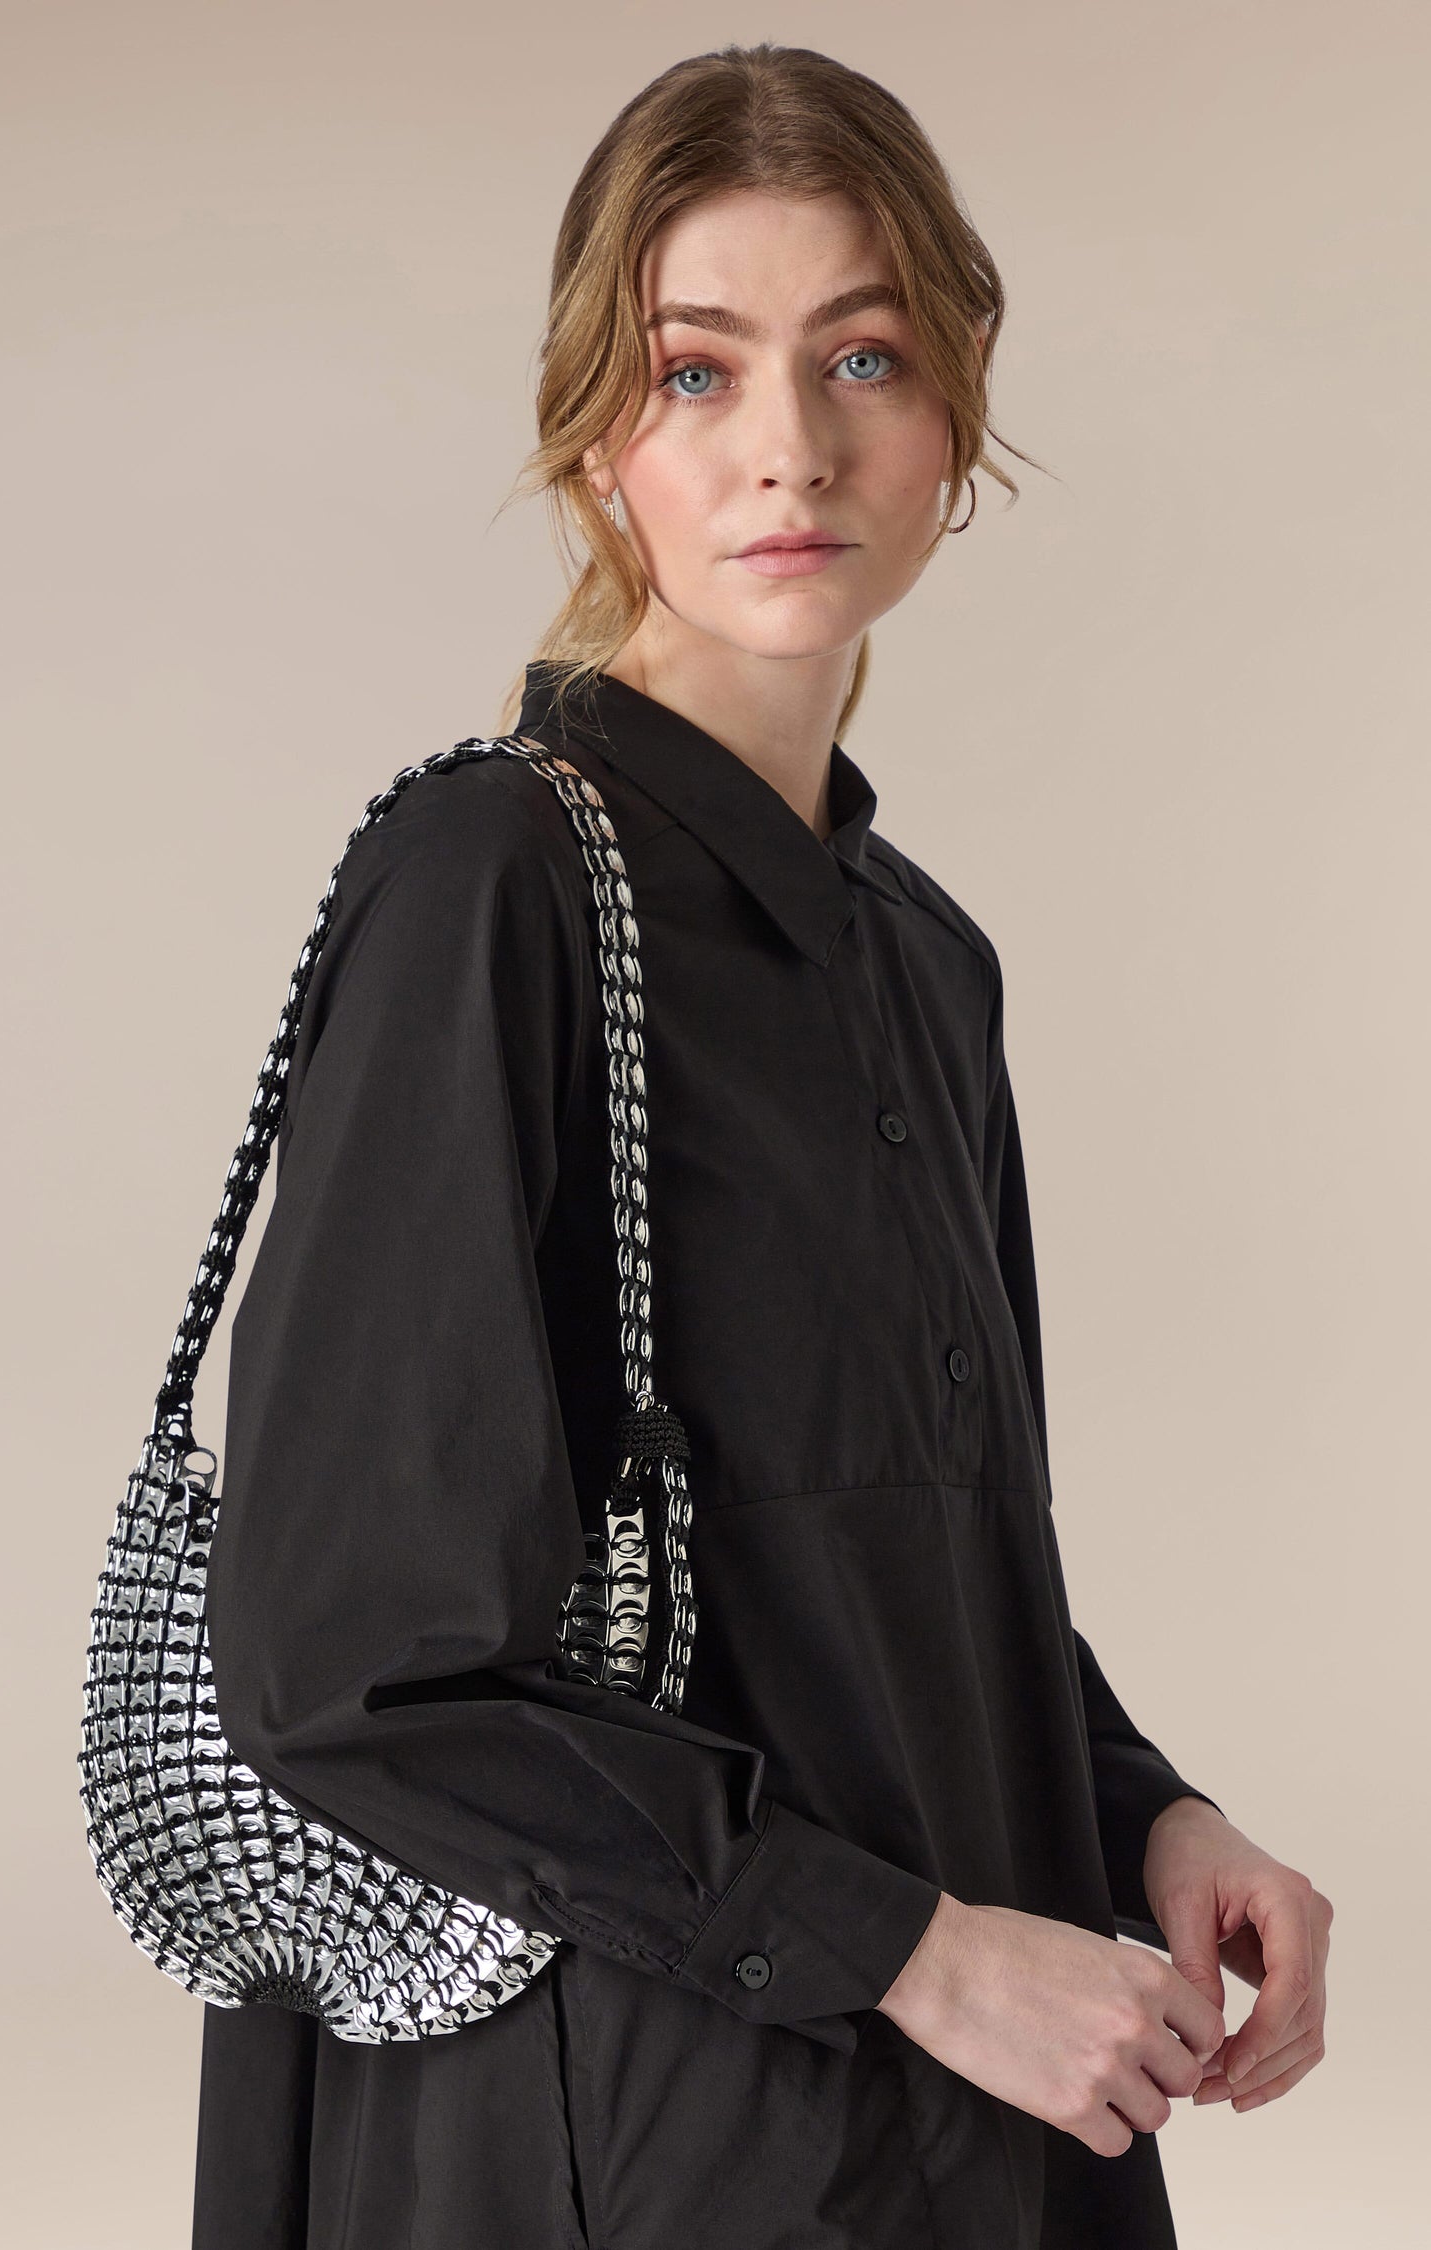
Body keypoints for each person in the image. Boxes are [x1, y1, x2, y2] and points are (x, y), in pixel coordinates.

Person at [191, 40, 1332, 2250]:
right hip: (640, 2139)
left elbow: (911, 1572)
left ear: (955, 414)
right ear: (598, 439)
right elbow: (354, 1661)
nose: (792, 449)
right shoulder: (490, 890)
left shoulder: (926, 960)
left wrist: (1144, 1815)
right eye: (697, 372)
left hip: (993, 2117)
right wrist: (914, 1950)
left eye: (864, 357)